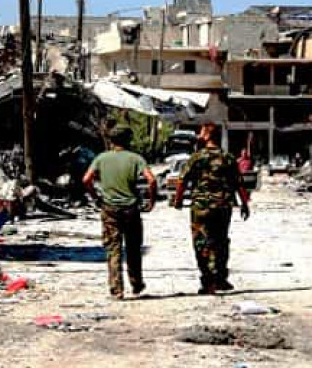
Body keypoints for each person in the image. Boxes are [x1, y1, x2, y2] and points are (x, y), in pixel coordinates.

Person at [173, 123, 250, 294]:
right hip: (223, 205)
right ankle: (220, 278)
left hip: (201, 207)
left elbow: (182, 180)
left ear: (207, 135)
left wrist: (178, 200)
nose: (199, 135)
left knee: (201, 242)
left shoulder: (197, 157)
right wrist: (244, 204)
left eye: (201, 132)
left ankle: (208, 280)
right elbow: (238, 183)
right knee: (221, 241)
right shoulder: (228, 157)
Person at [83, 127, 157, 300]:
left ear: (111, 140)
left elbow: (86, 179)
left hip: (109, 209)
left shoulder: (101, 158)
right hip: (131, 209)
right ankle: (136, 283)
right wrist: (151, 201)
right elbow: (152, 180)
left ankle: (117, 289)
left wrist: (96, 197)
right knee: (133, 248)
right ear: (128, 140)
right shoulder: (135, 158)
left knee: (113, 249)